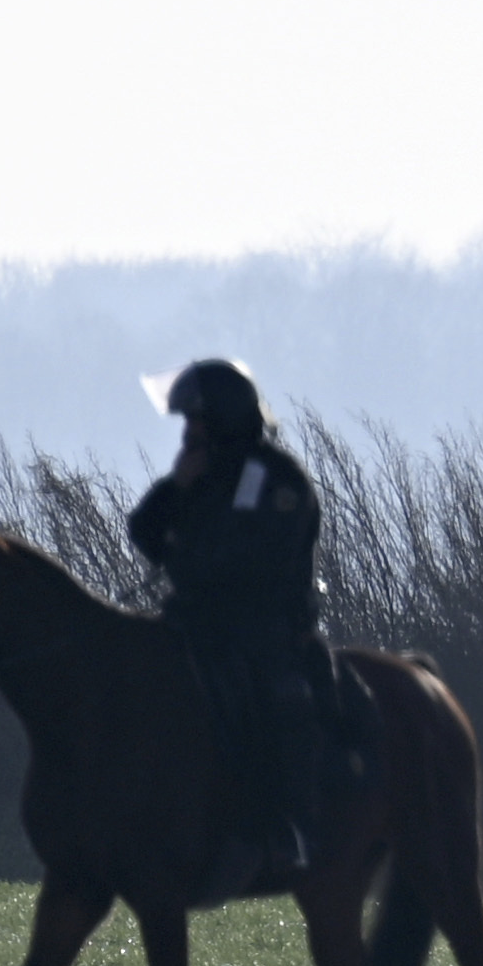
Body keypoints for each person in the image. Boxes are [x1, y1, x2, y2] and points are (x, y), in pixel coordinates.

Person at [124, 359, 346, 897]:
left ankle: (288, 826)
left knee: (273, 701)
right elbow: (144, 532)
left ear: (222, 418)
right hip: (197, 626)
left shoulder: (278, 480)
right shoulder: (205, 475)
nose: (187, 432)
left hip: (263, 630)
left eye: (195, 420)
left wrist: (192, 559)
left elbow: (247, 563)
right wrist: (176, 487)